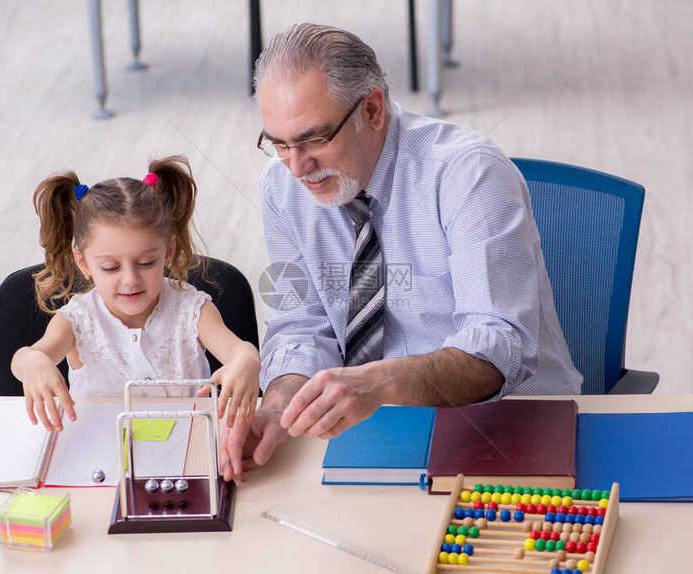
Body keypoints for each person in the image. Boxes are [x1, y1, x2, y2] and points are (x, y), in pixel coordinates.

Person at [220, 24, 581, 481]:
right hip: (381, 433)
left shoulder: (468, 174)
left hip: (514, 424)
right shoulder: (281, 186)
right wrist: (276, 406)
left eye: (314, 139)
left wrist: (379, 383)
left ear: (372, 109)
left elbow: (497, 345)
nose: (296, 167)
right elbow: (303, 325)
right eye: (279, 143)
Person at [12, 155, 260, 432]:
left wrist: (248, 360)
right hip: (101, 454)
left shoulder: (192, 310)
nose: (130, 280)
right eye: (110, 267)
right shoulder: (77, 320)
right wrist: (33, 362)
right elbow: (23, 359)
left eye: (145, 263)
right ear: (83, 263)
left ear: (168, 251)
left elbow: (239, 352)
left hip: (187, 449)